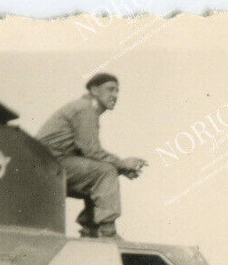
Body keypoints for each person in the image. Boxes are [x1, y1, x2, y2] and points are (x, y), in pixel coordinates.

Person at [36, 73, 147, 238]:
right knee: (105, 172)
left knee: (101, 172)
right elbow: (91, 151)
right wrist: (122, 164)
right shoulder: (85, 109)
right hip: (49, 165)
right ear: (94, 90)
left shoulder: (86, 109)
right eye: (110, 89)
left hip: (48, 166)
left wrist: (121, 168)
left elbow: (87, 155)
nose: (115, 95)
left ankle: (91, 228)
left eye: (117, 91)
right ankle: (105, 230)